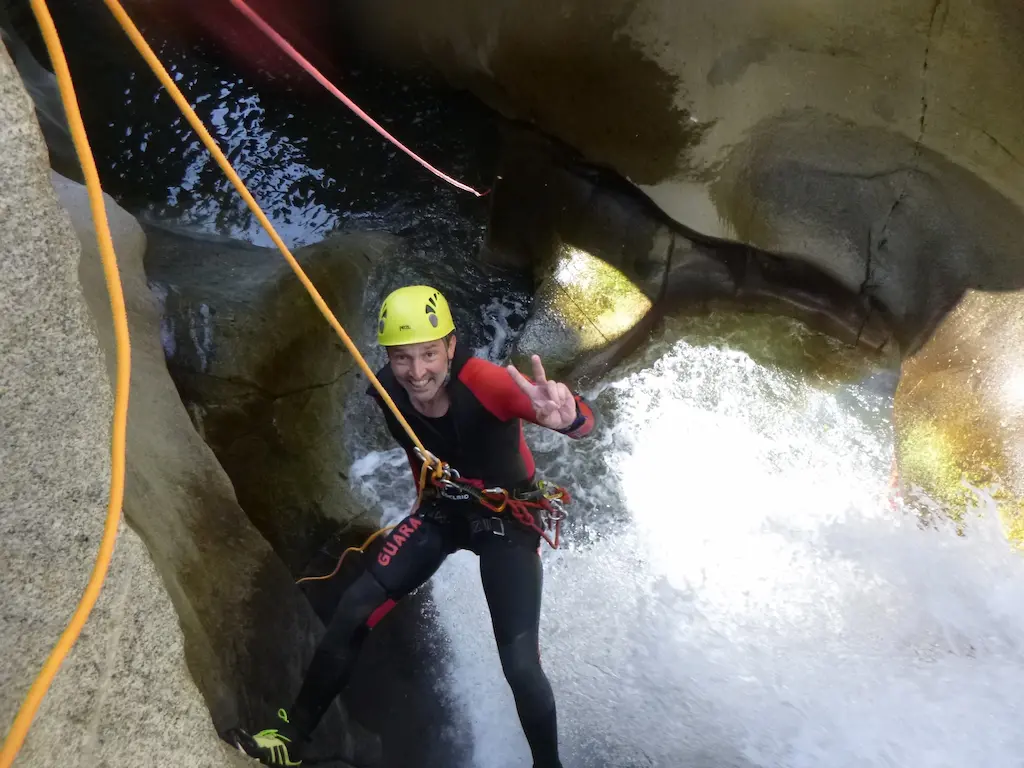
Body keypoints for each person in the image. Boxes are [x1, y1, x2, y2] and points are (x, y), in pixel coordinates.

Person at [235, 285, 595, 767]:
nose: (417, 371)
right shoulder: (387, 387)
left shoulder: (486, 382)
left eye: (429, 353)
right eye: (402, 357)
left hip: (507, 520)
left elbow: (581, 422)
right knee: (353, 609)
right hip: (444, 512)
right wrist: (425, 512)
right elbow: (415, 454)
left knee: (521, 666)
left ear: (451, 345)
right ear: (388, 355)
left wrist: (570, 418)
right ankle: (290, 739)